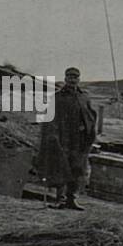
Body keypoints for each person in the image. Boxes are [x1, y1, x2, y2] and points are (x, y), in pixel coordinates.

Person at [35, 67, 98, 211]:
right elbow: (50, 119)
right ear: (65, 79)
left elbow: (90, 116)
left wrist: (87, 129)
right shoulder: (57, 97)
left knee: (77, 168)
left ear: (79, 79)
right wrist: (53, 136)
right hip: (63, 139)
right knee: (62, 167)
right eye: (69, 76)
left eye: (75, 77)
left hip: (79, 140)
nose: (72, 79)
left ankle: (72, 199)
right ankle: (60, 199)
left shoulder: (84, 97)